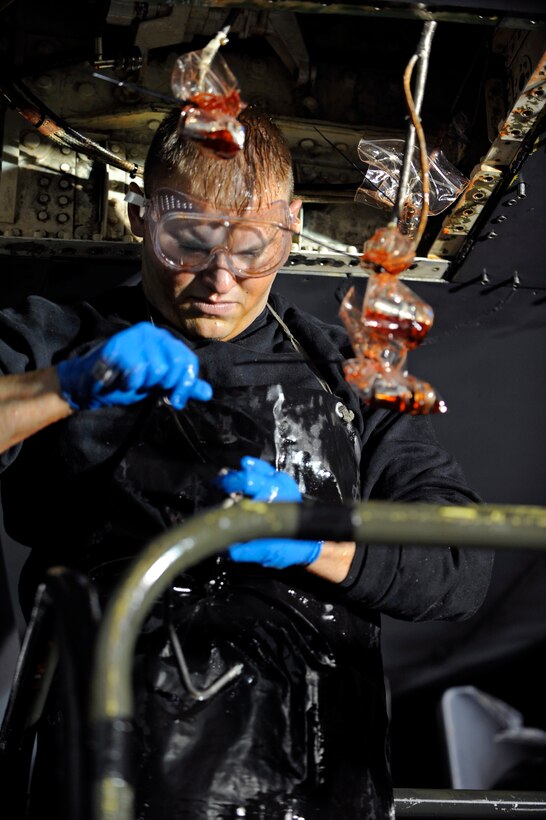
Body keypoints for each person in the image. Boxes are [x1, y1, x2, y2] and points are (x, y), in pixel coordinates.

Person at [0, 105, 493, 819]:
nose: (219, 279)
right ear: (142, 219)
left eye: (252, 249)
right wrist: (63, 385)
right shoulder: (58, 339)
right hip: (106, 782)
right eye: (189, 244)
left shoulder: (348, 378)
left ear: (290, 229)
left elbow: (463, 564)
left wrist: (311, 540)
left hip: (320, 785)